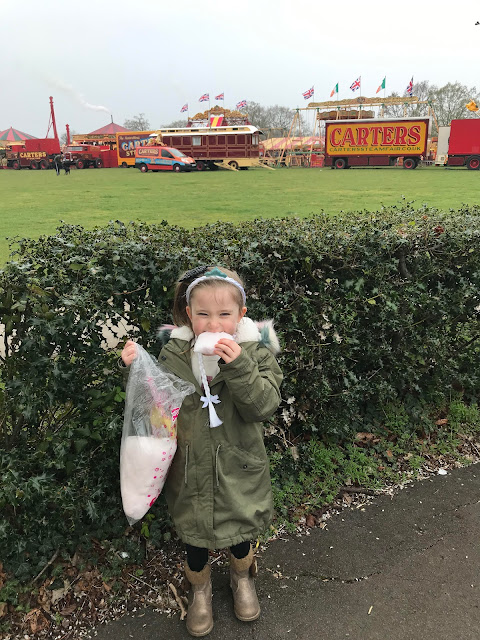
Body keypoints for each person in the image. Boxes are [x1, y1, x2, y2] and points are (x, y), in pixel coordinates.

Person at [121, 266, 283, 637]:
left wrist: (238, 363)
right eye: (203, 314)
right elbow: (154, 407)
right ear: (188, 315)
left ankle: (242, 577)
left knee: (240, 525)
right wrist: (135, 369)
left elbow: (263, 406)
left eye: (224, 314)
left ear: (241, 315)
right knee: (194, 533)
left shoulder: (255, 353)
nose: (214, 324)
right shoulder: (175, 353)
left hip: (239, 463)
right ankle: (201, 587)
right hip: (190, 466)